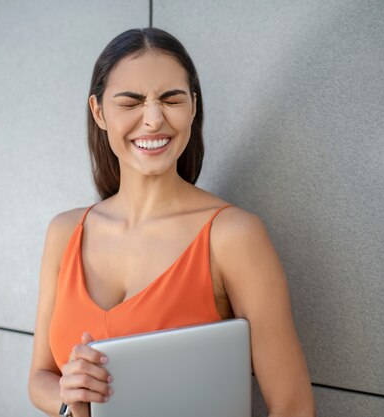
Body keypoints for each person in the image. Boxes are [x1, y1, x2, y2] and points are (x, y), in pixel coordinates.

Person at [28, 28, 315, 417]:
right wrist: (68, 399)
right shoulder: (65, 232)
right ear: (98, 112)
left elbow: (293, 408)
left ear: (193, 107)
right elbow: (40, 377)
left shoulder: (233, 236)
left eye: (170, 99)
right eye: (130, 102)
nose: (153, 119)